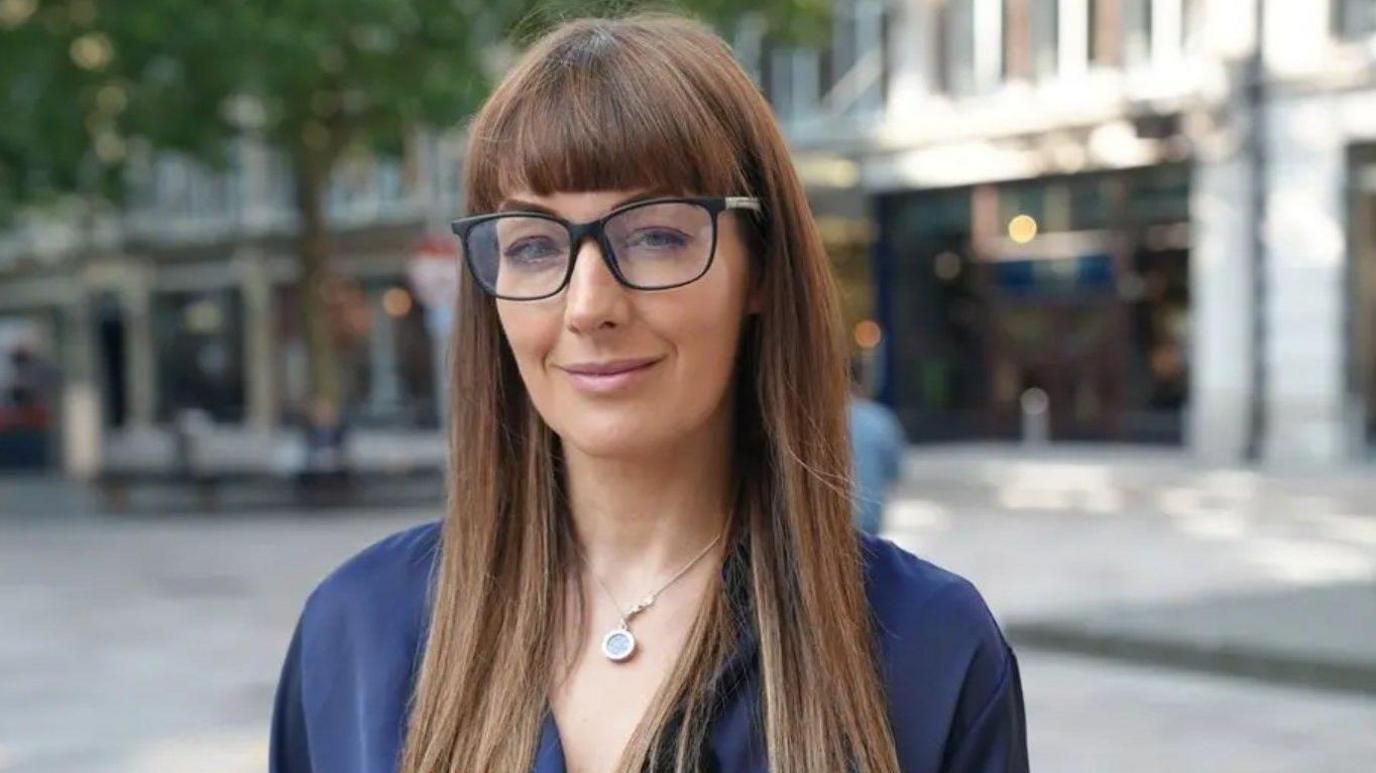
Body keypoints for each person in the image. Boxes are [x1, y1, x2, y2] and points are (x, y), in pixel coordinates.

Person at [270, 14, 1027, 773]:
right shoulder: (357, 633)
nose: (587, 304)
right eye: (533, 246)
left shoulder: (930, 648)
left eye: (656, 235)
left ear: (759, 269)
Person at [849, 359, 906, 535]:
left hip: (832, 517)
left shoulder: (821, 422)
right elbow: (894, 470)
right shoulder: (881, 419)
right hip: (870, 514)